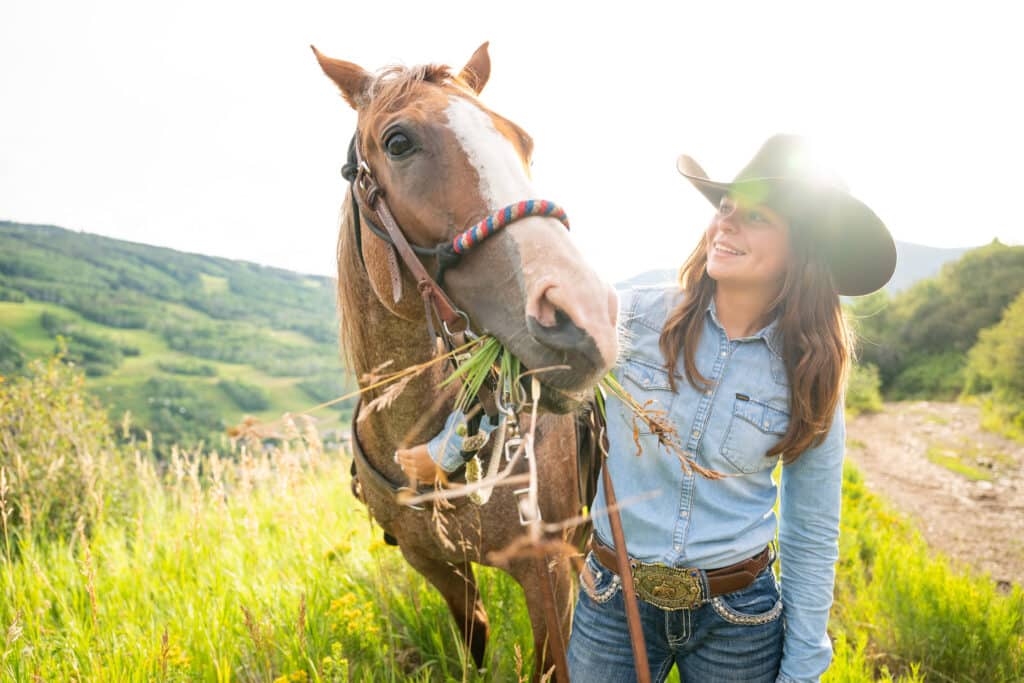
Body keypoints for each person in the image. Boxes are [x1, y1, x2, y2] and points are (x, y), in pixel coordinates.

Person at [395, 134, 897, 683]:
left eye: (754, 217)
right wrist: (448, 450)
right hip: (614, 602)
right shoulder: (634, 317)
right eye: (724, 209)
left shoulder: (811, 369)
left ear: (802, 249)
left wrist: (802, 667)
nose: (724, 224)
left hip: (738, 617)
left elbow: (813, 526)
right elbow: (518, 377)